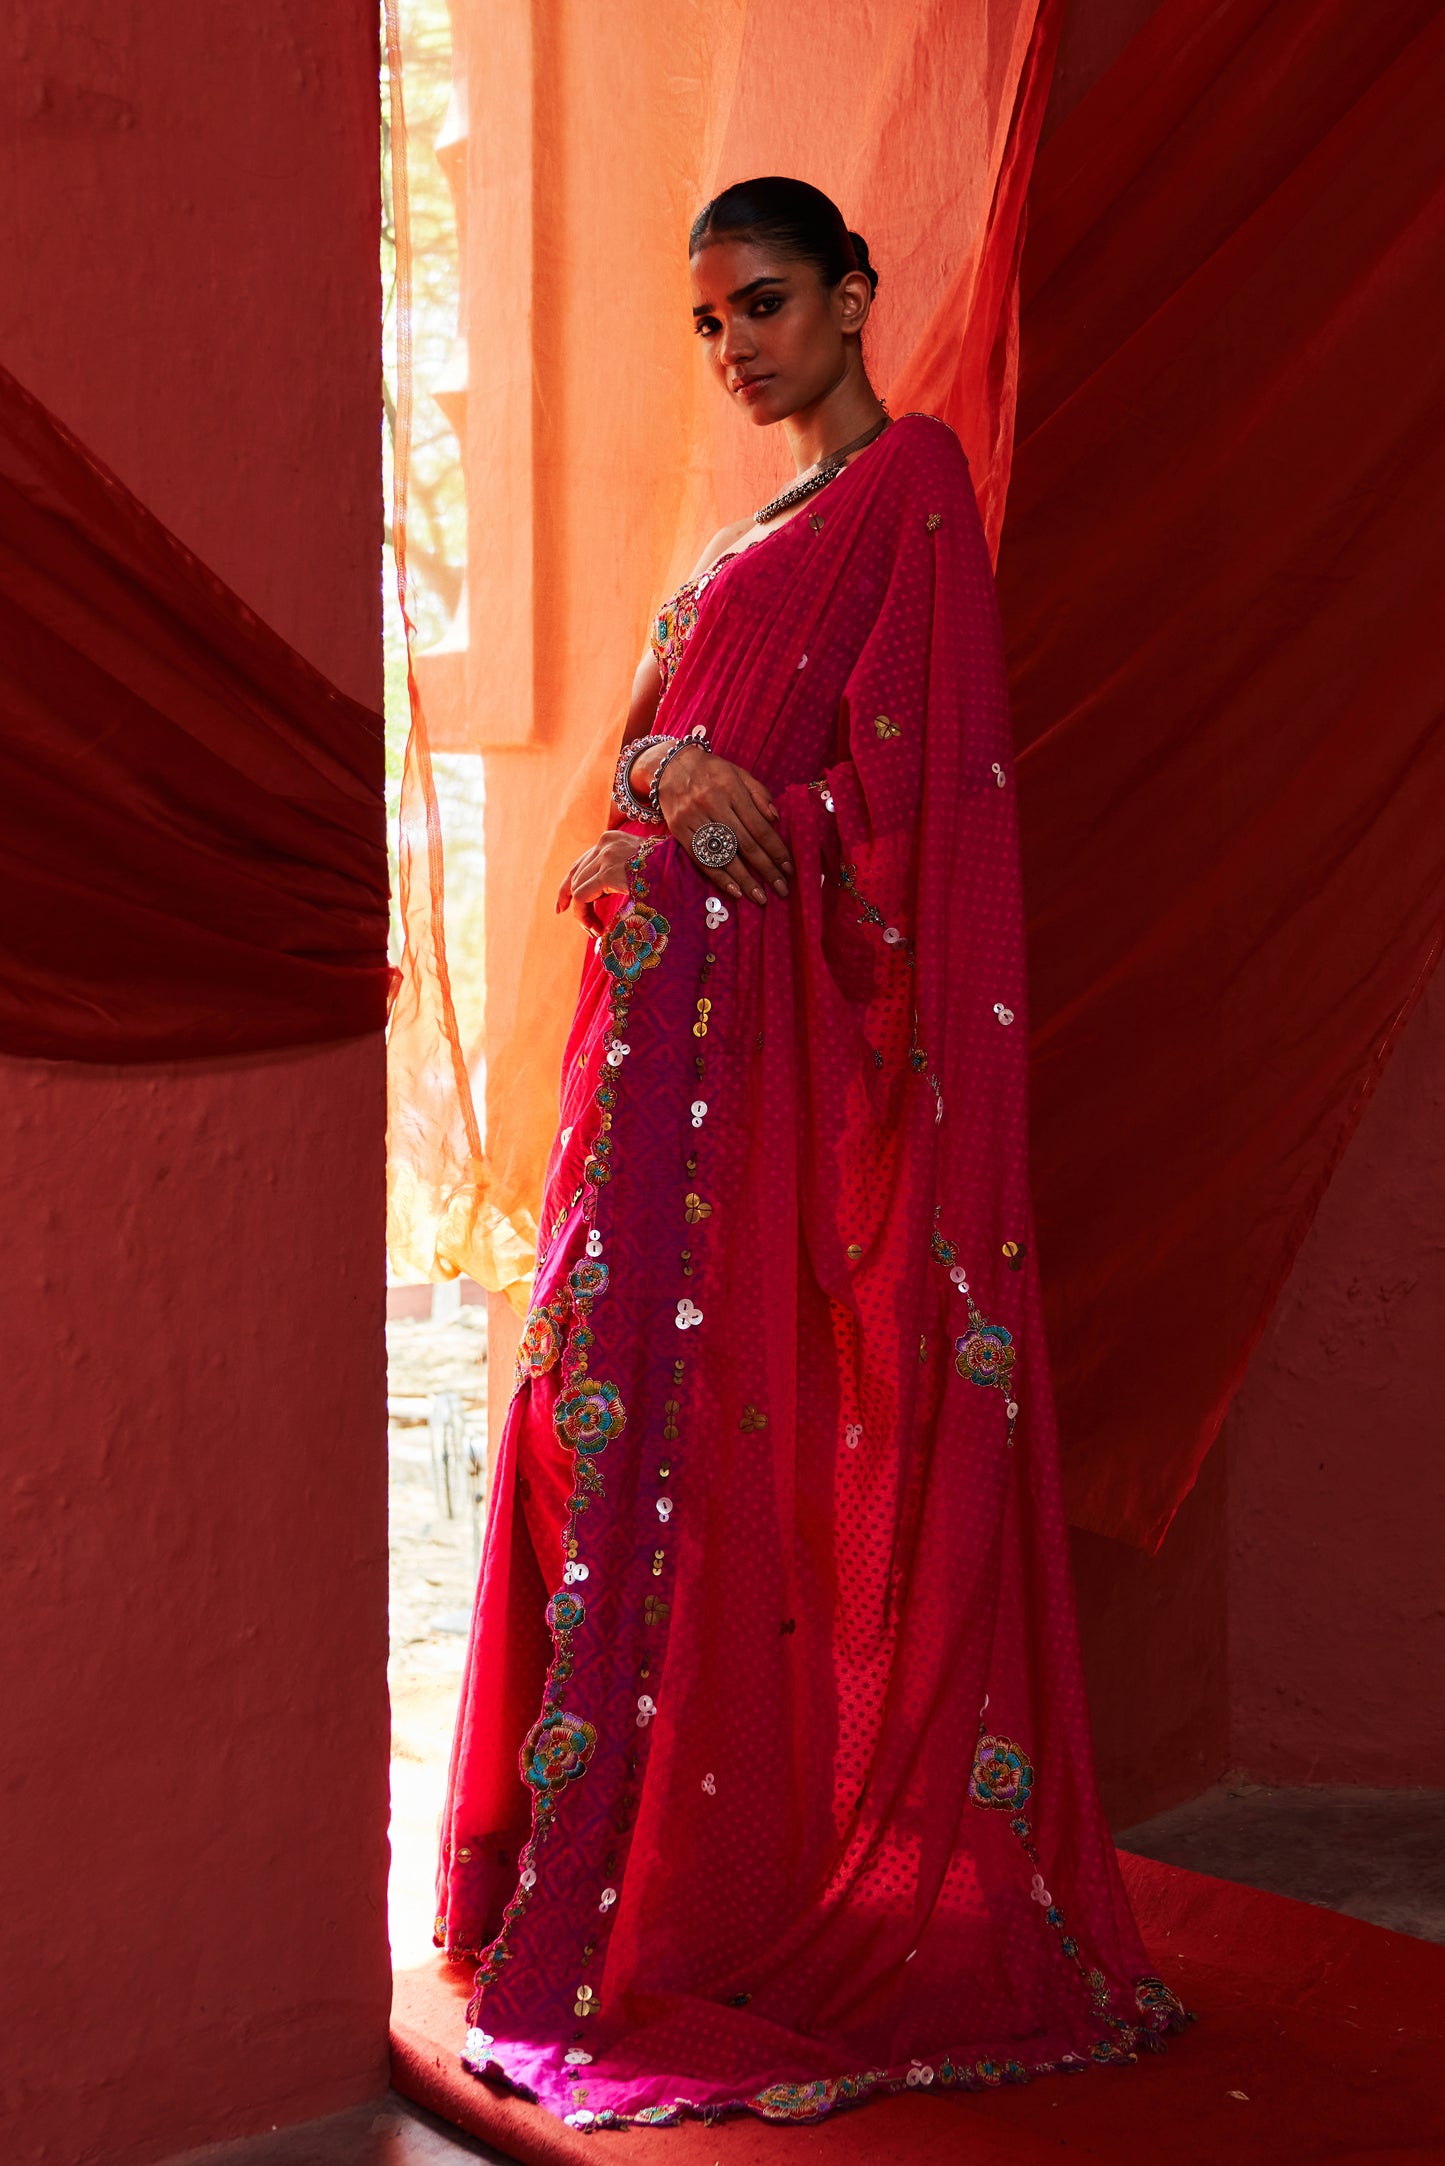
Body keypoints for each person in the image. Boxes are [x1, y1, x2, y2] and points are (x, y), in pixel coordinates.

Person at [435, 175, 1189, 2130]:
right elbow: (648, 757)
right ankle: (610, 1867)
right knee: (580, 1440)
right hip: (656, 1064)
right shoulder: (738, 538)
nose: (736, 346)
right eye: (708, 322)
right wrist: (661, 790)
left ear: (858, 293)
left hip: (763, 1077)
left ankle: (711, 1888)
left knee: (712, 1465)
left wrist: (718, 800)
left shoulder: (907, 488)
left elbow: (917, 803)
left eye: (765, 304)